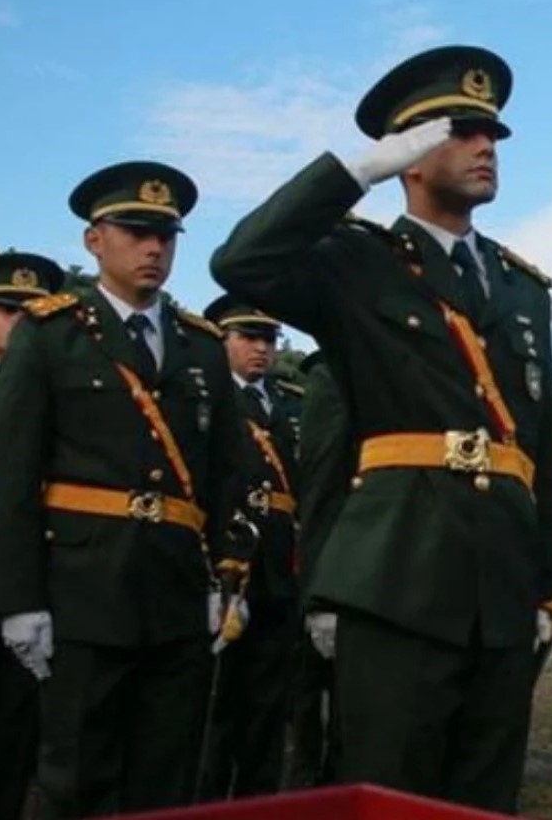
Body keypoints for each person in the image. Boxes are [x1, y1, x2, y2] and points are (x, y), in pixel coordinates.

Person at [208, 44, 552, 813]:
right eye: (463, 132)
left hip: (502, 582)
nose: (486, 147)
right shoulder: (357, 261)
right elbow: (242, 261)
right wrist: (357, 171)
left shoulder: (522, 289)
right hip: (396, 577)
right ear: (410, 155)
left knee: (484, 797)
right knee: (392, 794)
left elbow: (546, 446)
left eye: (494, 136)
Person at [0, 164, 251, 817]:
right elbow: (12, 475)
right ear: (94, 241)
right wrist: (18, 600)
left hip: (174, 593)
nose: (154, 247)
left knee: (165, 777)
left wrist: (226, 578)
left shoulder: (202, 347)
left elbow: (227, 474)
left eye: (165, 234)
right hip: (79, 592)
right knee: (76, 774)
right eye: (135, 231)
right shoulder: (52, 335)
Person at [197, 295, 303, 800]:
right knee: (217, 707)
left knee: (267, 705)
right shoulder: (203, 399)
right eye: (247, 337)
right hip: (225, 569)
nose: (261, 349)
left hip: (278, 570)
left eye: (268, 339)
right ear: (221, 340)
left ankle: (258, 801)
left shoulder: (285, 403)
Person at [0, 252, 64, 820]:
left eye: (31, 311)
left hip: (28, 576)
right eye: (8, 309)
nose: (19, 321)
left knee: (13, 735)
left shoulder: (62, 391)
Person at [283, 351, 346, 789]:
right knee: (310, 695)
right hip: (338, 566)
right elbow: (322, 492)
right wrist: (320, 595)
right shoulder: (336, 377)